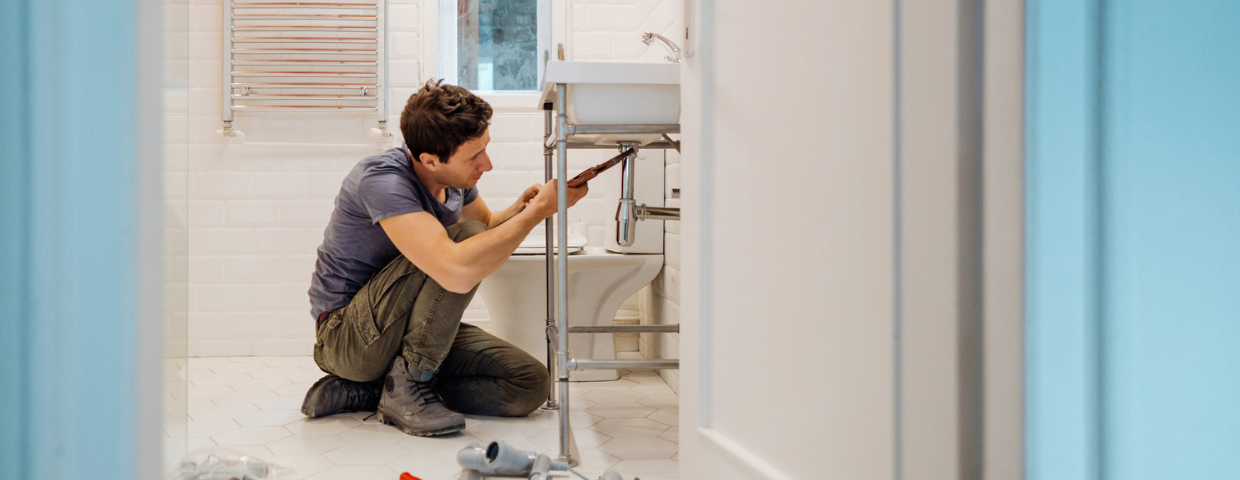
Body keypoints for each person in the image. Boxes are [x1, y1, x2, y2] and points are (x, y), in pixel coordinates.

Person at [299, 79, 588, 436]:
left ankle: (380, 390)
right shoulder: (381, 180)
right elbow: (456, 269)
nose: (487, 164)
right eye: (474, 156)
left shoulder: (455, 179)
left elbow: (488, 226)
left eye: (485, 149)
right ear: (430, 161)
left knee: (528, 383)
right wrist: (537, 214)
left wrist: (523, 208)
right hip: (347, 338)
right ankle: (411, 382)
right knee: (461, 245)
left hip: (400, 327)